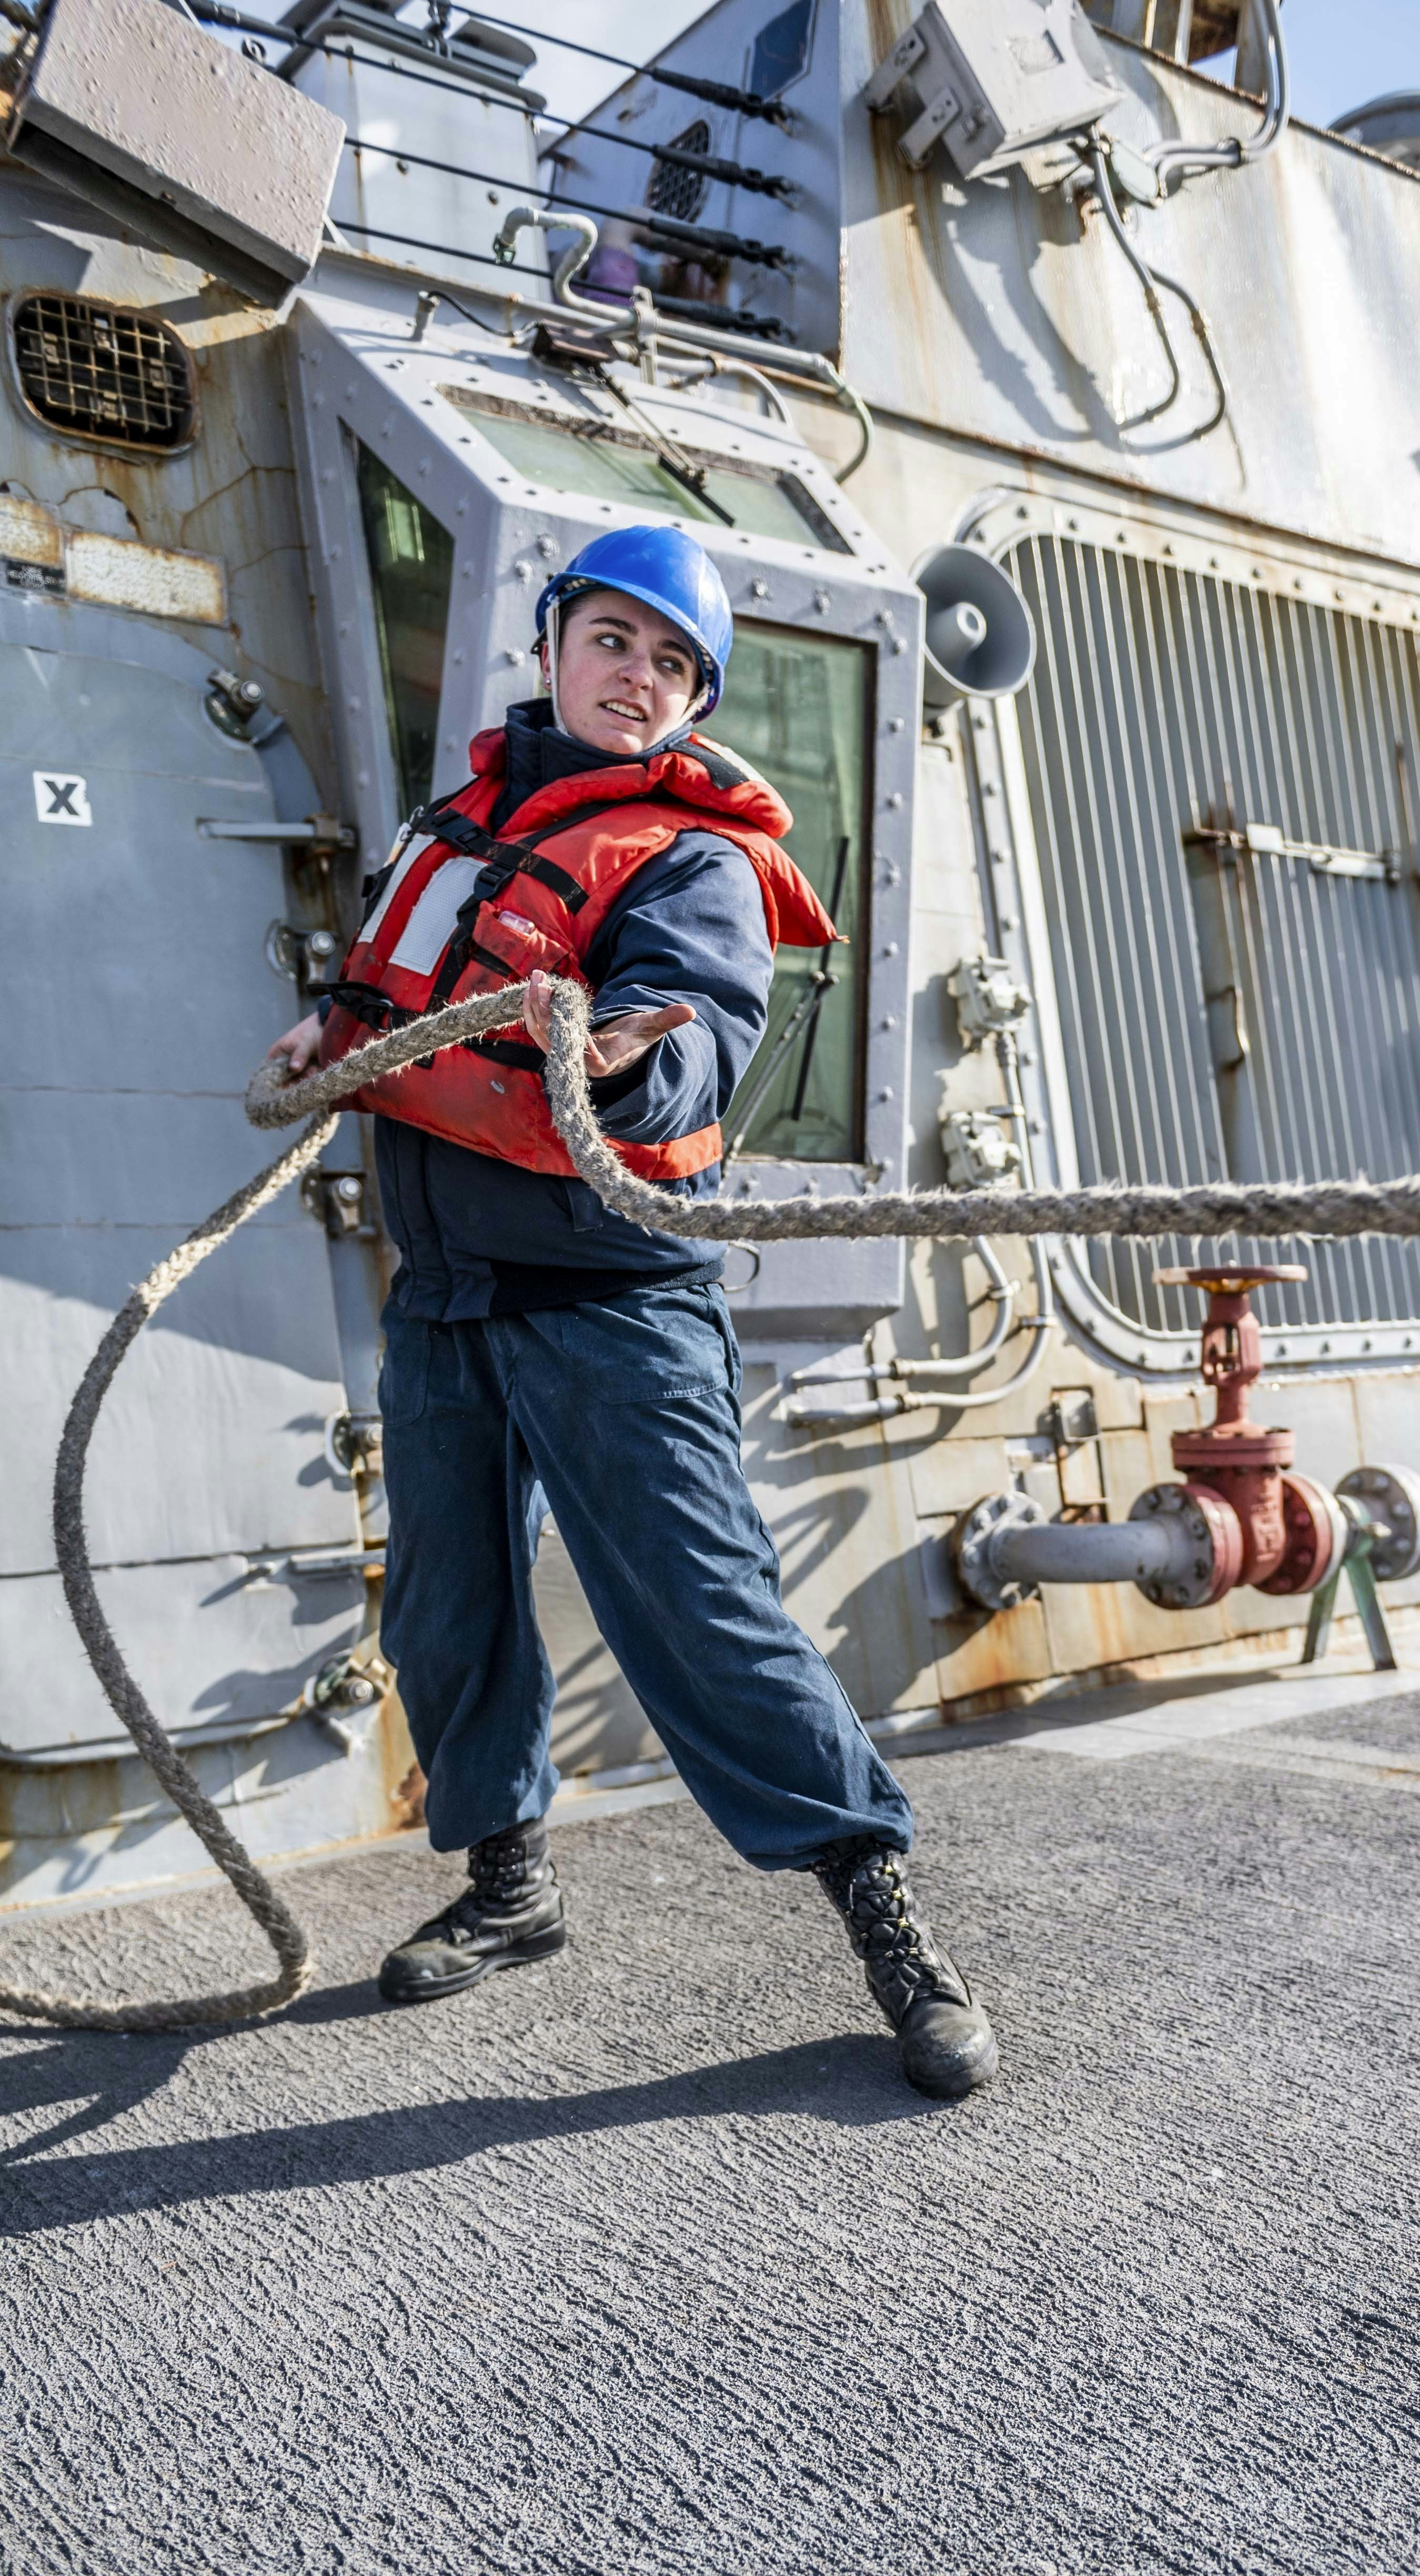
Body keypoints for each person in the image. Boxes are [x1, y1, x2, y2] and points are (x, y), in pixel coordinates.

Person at [270, 525, 995, 2099]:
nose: (638, 677)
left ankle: (886, 1919)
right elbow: (387, 988)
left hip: (609, 1298)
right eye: (614, 641)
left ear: (692, 702)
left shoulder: (691, 859)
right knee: (445, 1613)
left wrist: (619, 1056)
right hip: (446, 1296)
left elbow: (688, 1058)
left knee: (703, 1613)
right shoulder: (450, 827)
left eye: (673, 664)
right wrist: (328, 1024)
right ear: (551, 650)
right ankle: (510, 1889)